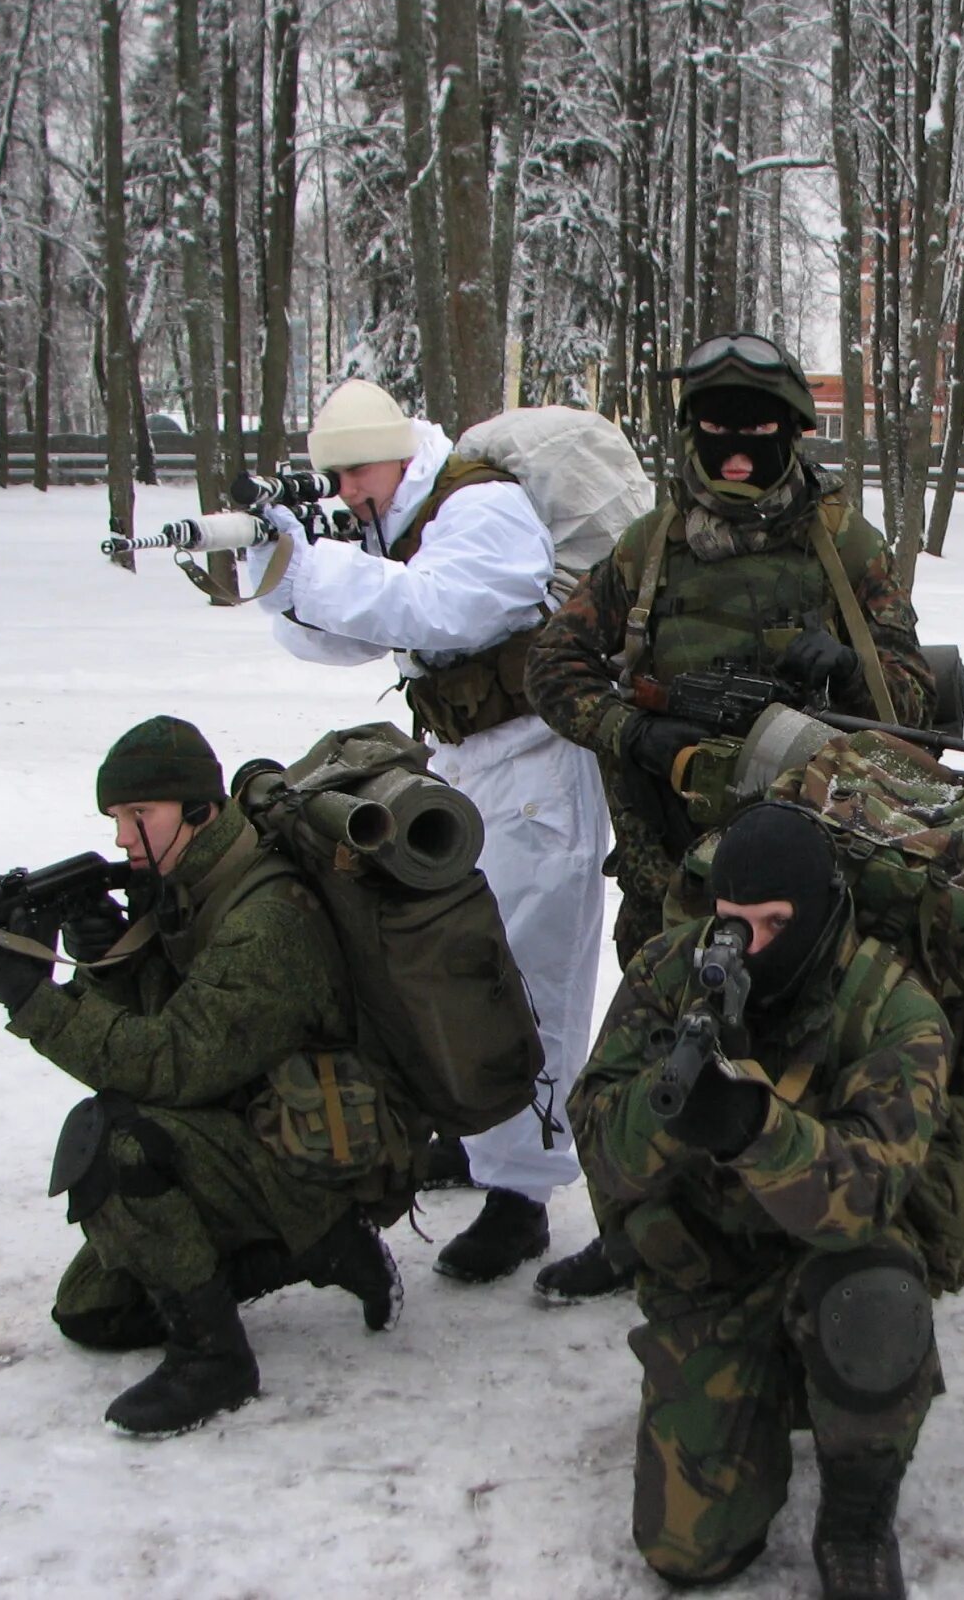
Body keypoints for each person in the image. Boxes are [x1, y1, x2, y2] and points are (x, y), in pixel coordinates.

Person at [245, 378, 617, 1297]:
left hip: (537, 769)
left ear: (398, 457)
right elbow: (355, 635)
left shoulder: (480, 506)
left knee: (531, 979)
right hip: (462, 763)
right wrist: (278, 579)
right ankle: (484, 1136)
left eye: (356, 474)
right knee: (448, 967)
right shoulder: (403, 521)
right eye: (334, 479)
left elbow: (443, 608)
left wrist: (313, 569)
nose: (346, 495)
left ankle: (523, 1195)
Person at [0, 717, 405, 1438]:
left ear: (200, 810)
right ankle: (322, 1246)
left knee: (117, 1144)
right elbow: (162, 1020)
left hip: (314, 1150)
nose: (122, 838)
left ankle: (215, 1360)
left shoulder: (266, 917)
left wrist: (33, 1001)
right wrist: (113, 963)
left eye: (138, 815)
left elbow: (172, 1063)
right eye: (115, 818)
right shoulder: (189, 884)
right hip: (249, 1119)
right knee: (94, 1311)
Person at [567, 802, 948, 1600]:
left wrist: (752, 1128)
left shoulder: (891, 1006)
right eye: (732, 922)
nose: (751, 946)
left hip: (834, 1256)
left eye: (775, 924)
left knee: (875, 1302)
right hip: (710, 1267)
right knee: (687, 1552)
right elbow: (600, 1146)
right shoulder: (670, 971)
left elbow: (866, 1196)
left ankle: (855, 1520)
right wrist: (669, 1107)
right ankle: (765, 1385)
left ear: (819, 911)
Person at [524, 332, 935, 969]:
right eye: (716, 428)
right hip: (665, 879)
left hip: (815, 880)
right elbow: (550, 666)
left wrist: (853, 670)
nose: (737, 453)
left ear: (791, 433)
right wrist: (632, 732)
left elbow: (913, 705)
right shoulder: (648, 549)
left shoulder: (848, 547)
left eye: (759, 429)